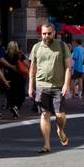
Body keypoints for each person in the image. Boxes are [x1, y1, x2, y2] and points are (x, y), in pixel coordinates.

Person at [29, 24, 71, 153]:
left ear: (54, 33)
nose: (46, 36)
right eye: (44, 33)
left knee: (60, 115)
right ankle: (46, 144)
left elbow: (68, 67)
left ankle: (60, 130)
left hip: (58, 86)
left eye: (49, 33)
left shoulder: (62, 46)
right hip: (42, 85)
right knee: (45, 114)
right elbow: (32, 68)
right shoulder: (36, 47)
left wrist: (66, 84)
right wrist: (30, 86)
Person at [0, 41, 29, 118]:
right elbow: (27, 64)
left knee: (10, 95)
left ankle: (13, 108)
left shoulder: (5, 55)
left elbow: (1, 67)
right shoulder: (20, 55)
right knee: (21, 95)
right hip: (19, 77)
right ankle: (16, 107)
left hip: (8, 77)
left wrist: (3, 78)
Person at [70, 38, 84, 103]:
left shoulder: (76, 49)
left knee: (73, 80)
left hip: (76, 67)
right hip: (82, 68)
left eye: (74, 42)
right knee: (80, 80)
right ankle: (80, 94)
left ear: (76, 42)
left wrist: (71, 67)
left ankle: (72, 93)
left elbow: (74, 58)